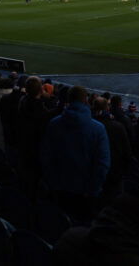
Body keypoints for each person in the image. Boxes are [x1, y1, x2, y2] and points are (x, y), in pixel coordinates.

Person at [40, 86, 110, 222]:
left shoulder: (54, 124)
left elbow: (46, 157)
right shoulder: (98, 128)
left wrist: (52, 182)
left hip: (59, 188)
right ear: (86, 100)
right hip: (86, 192)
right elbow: (103, 164)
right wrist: (93, 190)